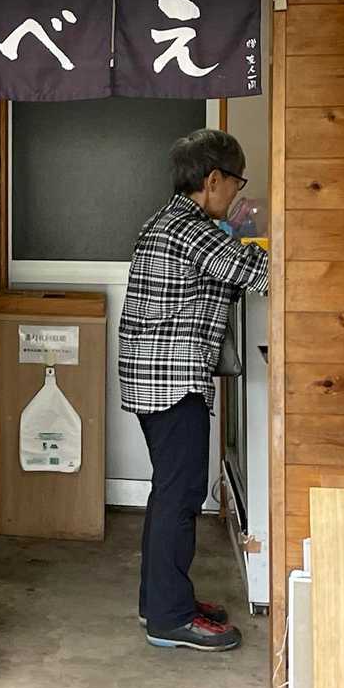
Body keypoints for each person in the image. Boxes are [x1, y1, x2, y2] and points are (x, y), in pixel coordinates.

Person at [119, 128, 268, 652]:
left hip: (156, 379)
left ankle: (159, 601)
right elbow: (261, 274)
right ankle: (170, 617)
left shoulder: (169, 220)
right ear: (213, 179)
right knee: (179, 496)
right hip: (171, 382)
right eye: (236, 183)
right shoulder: (192, 230)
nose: (237, 193)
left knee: (170, 492)